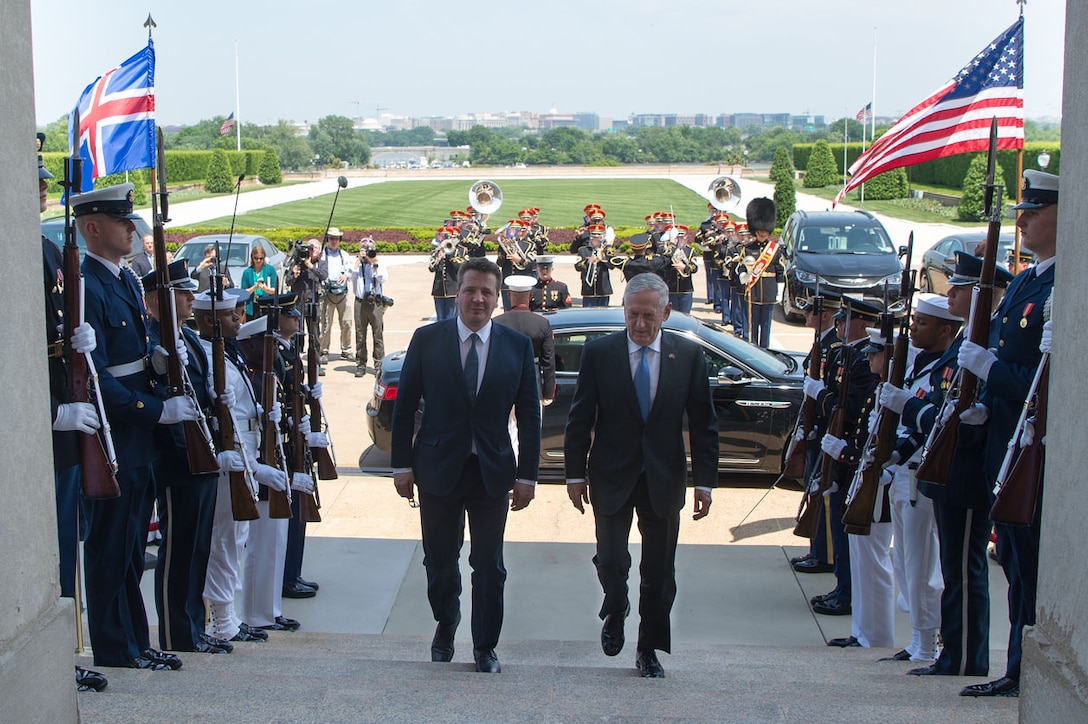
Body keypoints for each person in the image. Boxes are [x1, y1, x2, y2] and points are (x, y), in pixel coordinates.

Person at [564, 273, 719, 679]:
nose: (640, 324)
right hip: (611, 476)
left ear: (666, 312)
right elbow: (580, 419)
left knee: (659, 573)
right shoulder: (601, 354)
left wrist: (704, 481)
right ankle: (615, 606)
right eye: (632, 315)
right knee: (613, 561)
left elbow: (704, 423)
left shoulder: (687, 357)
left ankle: (648, 648)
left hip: (663, 479)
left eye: (649, 315)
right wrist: (573, 475)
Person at [391, 257, 541, 674]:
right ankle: (446, 620)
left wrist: (528, 475)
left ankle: (484, 646)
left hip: (492, 472)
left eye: (486, 292)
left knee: (489, 565)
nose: (478, 298)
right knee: (440, 561)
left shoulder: (516, 346)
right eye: (470, 290)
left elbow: (530, 415)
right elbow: (404, 409)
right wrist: (401, 465)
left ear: (498, 299)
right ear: (456, 294)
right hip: (437, 468)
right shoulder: (427, 339)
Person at [76, 182, 202, 671]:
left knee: (132, 548)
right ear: (93, 228)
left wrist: (157, 357)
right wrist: (154, 411)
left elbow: (139, 344)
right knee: (112, 548)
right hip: (118, 436)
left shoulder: (127, 279)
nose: (132, 229)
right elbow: (96, 379)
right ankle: (115, 647)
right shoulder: (88, 282)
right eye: (122, 221)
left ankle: (136, 640)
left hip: (139, 439)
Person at [958, 170, 1057, 699]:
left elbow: (1046, 381)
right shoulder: (1026, 280)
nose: (1024, 220)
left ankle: (1025, 668)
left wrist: (990, 373)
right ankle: (1017, 666)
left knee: (1030, 566)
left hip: (1031, 451)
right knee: (1015, 564)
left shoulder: (1060, 285)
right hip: (1004, 442)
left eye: (1034, 211)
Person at [905, 253, 1013, 679]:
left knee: (964, 571)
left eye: (960, 288)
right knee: (954, 568)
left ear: (981, 295)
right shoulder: (969, 339)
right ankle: (955, 653)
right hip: (951, 466)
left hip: (967, 469)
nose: (950, 294)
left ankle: (965, 657)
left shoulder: (987, 338)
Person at [38, 135, 109, 692]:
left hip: (61, 430)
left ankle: (62, 656)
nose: (41, 192)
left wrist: (74, 342)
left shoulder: (42, 251)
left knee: (65, 548)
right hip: (45, 426)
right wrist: (47, 414)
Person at [141, 260, 232, 656]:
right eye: (181, 292)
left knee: (198, 548)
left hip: (202, 453)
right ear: (156, 299)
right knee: (178, 550)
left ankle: (195, 627)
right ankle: (177, 633)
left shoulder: (191, 339)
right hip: (177, 460)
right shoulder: (152, 340)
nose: (191, 297)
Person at [195, 289, 286, 645]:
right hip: (232, 460)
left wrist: (264, 416)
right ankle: (221, 620)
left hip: (245, 455)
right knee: (225, 540)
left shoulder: (227, 355)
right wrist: (252, 467)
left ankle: (228, 616)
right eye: (232, 315)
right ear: (208, 321)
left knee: (236, 539)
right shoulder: (207, 356)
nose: (239, 320)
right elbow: (219, 417)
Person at [791, 294, 842, 575]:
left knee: (820, 495)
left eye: (810, 311)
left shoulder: (832, 346)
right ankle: (816, 550)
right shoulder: (821, 343)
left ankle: (825, 555)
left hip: (823, 430)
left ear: (824, 315)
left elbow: (830, 393)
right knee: (812, 491)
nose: (806, 314)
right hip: (814, 429)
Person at [494, 275, 555, 406]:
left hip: (503, 389)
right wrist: (548, 393)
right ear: (530, 296)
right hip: (533, 385)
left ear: (509, 296)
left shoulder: (496, 323)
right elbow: (548, 362)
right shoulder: (542, 323)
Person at [740, 198, 784, 348]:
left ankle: (764, 350)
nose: (763, 233)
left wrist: (780, 291)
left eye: (765, 230)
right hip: (752, 291)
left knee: (766, 327)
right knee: (752, 326)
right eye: (760, 230)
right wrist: (743, 276)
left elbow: (780, 270)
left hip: (768, 291)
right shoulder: (747, 248)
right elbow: (740, 266)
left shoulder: (775, 249)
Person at [349, 243, 387, 378]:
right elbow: (350, 276)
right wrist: (359, 260)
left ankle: (379, 365)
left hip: (375, 302)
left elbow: (382, 278)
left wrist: (374, 263)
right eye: (364, 250)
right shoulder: (357, 263)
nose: (367, 253)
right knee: (360, 335)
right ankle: (360, 364)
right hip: (360, 302)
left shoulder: (378, 263)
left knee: (378, 335)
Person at [320, 227, 352, 363]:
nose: (334, 241)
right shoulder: (322, 254)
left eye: (336, 239)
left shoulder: (344, 255)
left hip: (342, 293)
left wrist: (346, 275)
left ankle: (346, 349)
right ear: (328, 239)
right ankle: (324, 350)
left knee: (347, 322)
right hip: (327, 293)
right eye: (331, 238)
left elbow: (351, 270)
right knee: (326, 324)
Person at [661, 224, 698, 314]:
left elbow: (695, 267)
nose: (680, 239)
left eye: (682, 236)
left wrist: (685, 267)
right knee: (672, 316)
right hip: (671, 289)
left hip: (685, 289)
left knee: (685, 316)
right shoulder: (668, 251)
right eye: (678, 237)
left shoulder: (690, 251)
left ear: (686, 236)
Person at [429, 227, 462, 321]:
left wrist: (449, 254)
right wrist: (438, 259)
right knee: (440, 318)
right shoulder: (436, 252)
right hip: (438, 290)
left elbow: (457, 266)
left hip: (451, 289)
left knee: (450, 318)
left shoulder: (456, 251)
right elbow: (432, 268)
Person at [240, 245, 277, 318]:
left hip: (266, 306)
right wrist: (254, 287)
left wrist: (265, 289)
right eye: (256, 258)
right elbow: (243, 292)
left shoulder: (270, 270)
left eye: (261, 258)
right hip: (252, 306)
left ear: (264, 258)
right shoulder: (247, 272)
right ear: (252, 257)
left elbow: (274, 290)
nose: (258, 261)